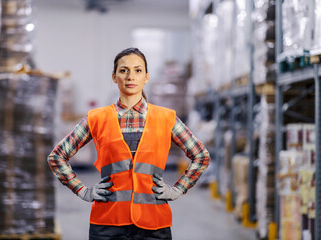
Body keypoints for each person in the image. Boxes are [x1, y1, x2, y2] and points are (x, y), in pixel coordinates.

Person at [47, 47, 211, 240]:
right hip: (108, 223)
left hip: (154, 224)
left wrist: (178, 189)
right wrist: (83, 190)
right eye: (124, 70)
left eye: (138, 70)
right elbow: (57, 156)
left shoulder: (166, 118)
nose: (130, 76)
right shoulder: (96, 118)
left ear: (146, 77)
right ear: (114, 77)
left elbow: (201, 156)